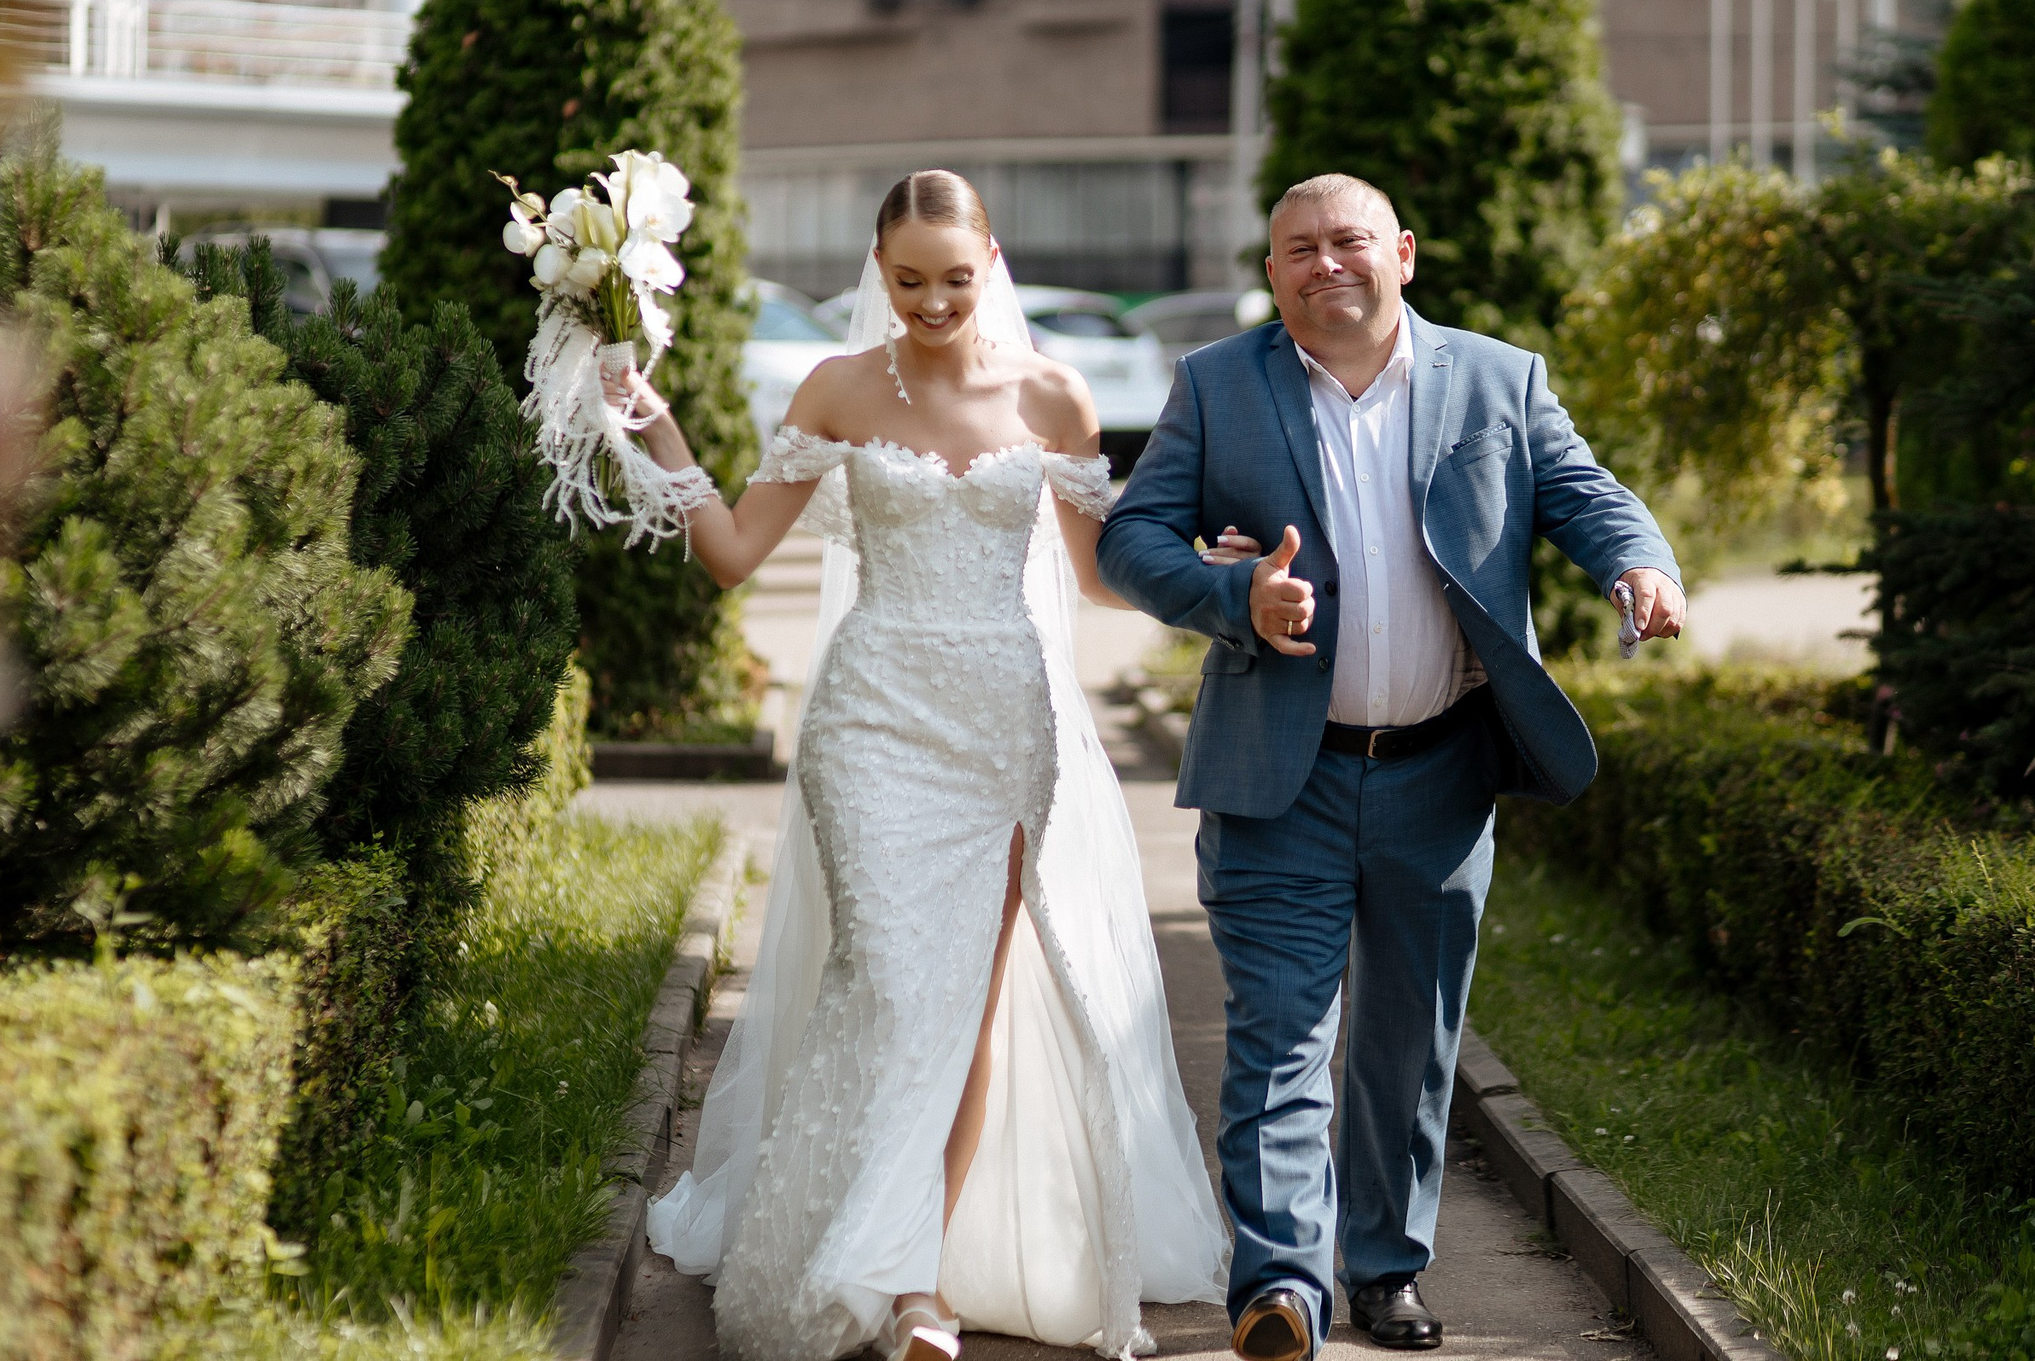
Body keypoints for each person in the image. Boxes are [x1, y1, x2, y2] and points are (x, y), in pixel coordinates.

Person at [616, 171, 1233, 1361]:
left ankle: (918, 1286)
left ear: (990, 261)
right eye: (908, 282)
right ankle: (890, 1271)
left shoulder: (1052, 395)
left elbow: (1099, 577)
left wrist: (1217, 570)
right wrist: (658, 428)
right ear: (877, 271)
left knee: (965, 1006)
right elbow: (735, 554)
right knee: (894, 987)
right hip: (871, 722)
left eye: (954, 278)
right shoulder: (838, 387)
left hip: (1000, 725)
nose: (933, 303)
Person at [1097, 174, 1685, 1360]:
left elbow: (1583, 493)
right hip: (1280, 774)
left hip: (1440, 772)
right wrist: (1230, 594)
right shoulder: (1218, 385)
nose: (1326, 264)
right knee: (1279, 1040)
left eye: (1348, 241)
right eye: (1298, 249)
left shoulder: (1497, 378)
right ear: (1272, 273)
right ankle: (1279, 1287)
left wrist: (1640, 564)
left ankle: (1384, 1269)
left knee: (1409, 1043)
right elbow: (1131, 538)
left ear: (1401, 254)